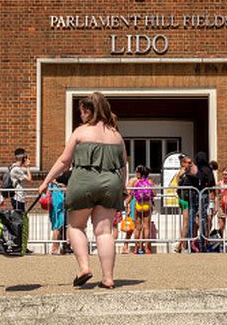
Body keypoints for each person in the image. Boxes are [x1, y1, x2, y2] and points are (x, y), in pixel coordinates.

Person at [38, 92, 126, 289]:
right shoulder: (116, 135)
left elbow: (64, 161)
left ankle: (84, 267)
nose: (81, 116)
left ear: (88, 110)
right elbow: (123, 167)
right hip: (110, 183)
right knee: (104, 232)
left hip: (83, 181)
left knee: (76, 226)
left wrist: (46, 180)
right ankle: (108, 278)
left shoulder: (81, 132)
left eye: (82, 112)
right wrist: (123, 188)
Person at [126, 165, 154, 255]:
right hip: (147, 206)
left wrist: (127, 203)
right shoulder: (150, 182)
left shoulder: (136, 183)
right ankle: (146, 248)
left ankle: (136, 248)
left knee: (137, 228)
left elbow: (131, 195)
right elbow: (154, 194)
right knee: (146, 227)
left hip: (138, 206)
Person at [194, 152, 216, 251]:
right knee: (205, 218)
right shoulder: (208, 170)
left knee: (198, 217)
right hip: (205, 194)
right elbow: (212, 184)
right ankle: (204, 241)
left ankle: (196, 240)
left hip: (196, 195)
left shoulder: (195, 168)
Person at [9, 148, 32, 213]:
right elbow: (29, 179)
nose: (27, 159)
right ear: (23, 157)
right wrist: (27, 167)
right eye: (26, 157)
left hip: (19, 197)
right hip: (18, 197)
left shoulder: (13, 166)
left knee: (20, 218)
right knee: (19, 219)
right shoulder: (16, 169)